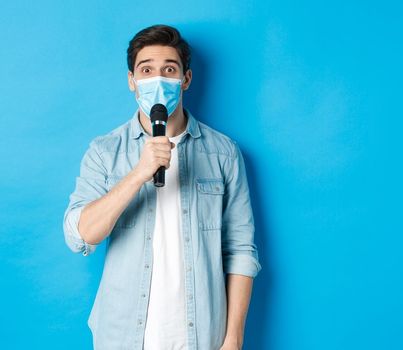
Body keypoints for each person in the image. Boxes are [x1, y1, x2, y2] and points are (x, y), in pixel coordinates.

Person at [62, 24, 260, 350]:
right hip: (122, 337)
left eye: (169, 69)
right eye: (146, 69)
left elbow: (240, 251)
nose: (158, 78)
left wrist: (233, 340)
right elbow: (80, 234)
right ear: (132, 81)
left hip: (202, 337)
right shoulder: (105, 151)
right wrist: (139, 173)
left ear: (185, 79)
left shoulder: (223, 152)